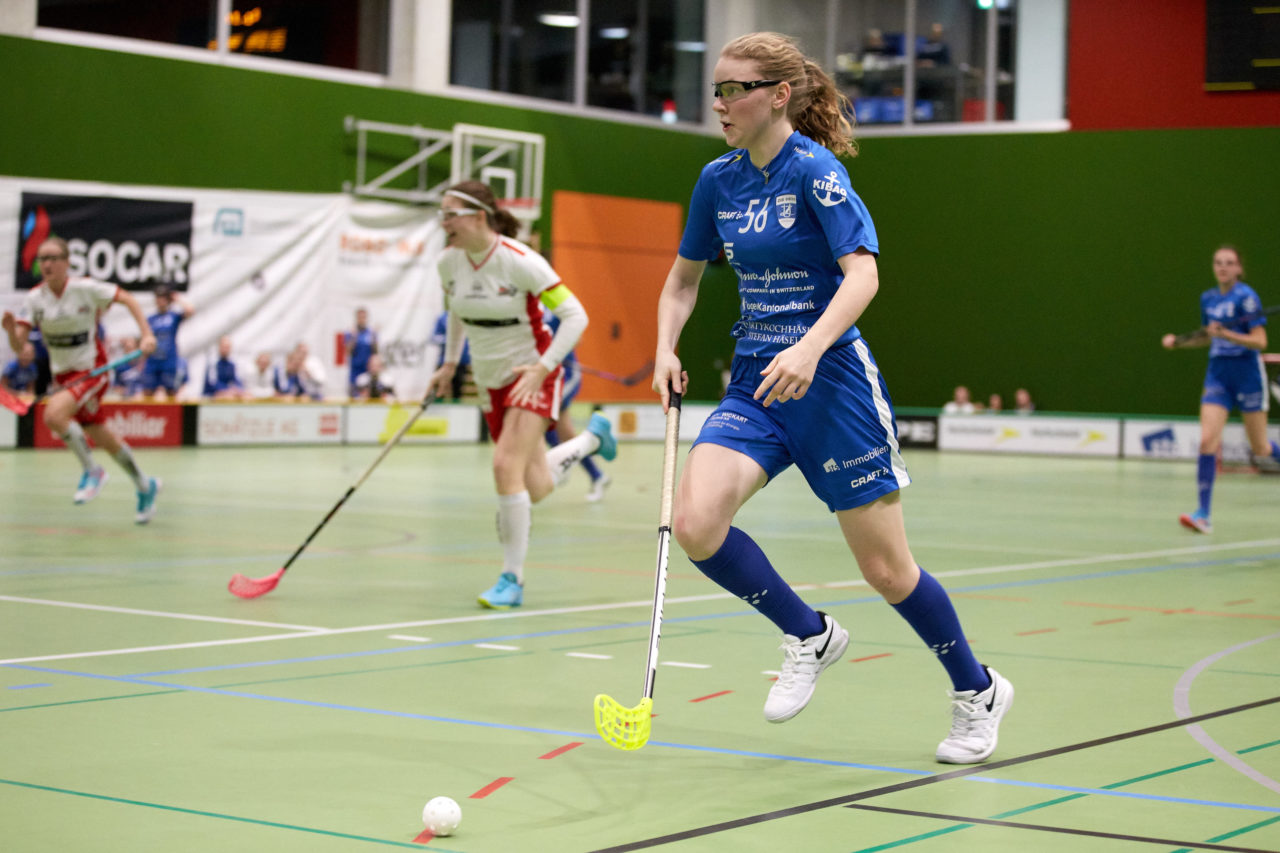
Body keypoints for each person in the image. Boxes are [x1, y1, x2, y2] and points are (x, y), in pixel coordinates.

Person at [651, 32, 1012, 765]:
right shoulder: (717, 180)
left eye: (736, 89)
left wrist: (810, 347)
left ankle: (976, 690)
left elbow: (863, 275)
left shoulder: (815, 174)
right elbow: (683, 281)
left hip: (832, 384)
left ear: (779, 94)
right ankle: (808, 632)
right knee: (693, 522)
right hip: (757, 382)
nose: (720, 103)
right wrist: (664, 347)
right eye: (715, 90)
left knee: (887, 571)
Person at [429, 179, 617, 609]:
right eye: (441, 214)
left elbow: (575, 316)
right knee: (532, 486)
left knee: (503, 465)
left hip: (532, 372)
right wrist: (449, 364)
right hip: (489, 378)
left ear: (478, 216)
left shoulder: (521, 262)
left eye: (450, 214)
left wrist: (544, 367)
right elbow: (456, 312)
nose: (444, 223)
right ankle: (591, 440)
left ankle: (511, 580)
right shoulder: (448, 264)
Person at [2, 237, 163, 523]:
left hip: (93, 370)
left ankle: (92, 470)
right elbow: (21, 349)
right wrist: (11, 334)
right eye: (42, 259)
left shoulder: (85, 289)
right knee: (101, 434)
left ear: (66, 262)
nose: (46, 264)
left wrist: (146, 334)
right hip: (63, 375)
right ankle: (144, 484)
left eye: (52, 258)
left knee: (53, 415)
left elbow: (126, 298)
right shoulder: (35, 299)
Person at [1161, 244, 1280, 532]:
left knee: (1261, 448)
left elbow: (1260, 341)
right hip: (1218, 375)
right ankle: (1203, 514)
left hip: (1247, 374)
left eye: (1229, 263)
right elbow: (1207, 336)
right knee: (1207, 441)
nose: (1223, 267)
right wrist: (1179, 342)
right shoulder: (1209, 299)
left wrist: (1227, 333)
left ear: (1239, 268)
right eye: (1218, 262)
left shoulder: (1247, 298)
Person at [543, 308, 611, 502]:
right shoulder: (530, 307)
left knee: (545, 421)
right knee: (561, 433)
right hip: (548, 378)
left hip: (566, 377)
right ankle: (597, 476)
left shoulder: (554, 308)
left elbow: (577, 338)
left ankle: (562, 467)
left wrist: (555, 353)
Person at [141, 286, 194, 400]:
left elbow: (190, 310)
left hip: (169, 361)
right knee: (148, 394)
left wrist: (176, 298)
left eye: (163, 298)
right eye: (158, 297)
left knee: (171, 394)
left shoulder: (173, 316)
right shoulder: (150, 319)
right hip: (152, 361)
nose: (160, 300)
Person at [430, 310, 471, 401]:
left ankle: (456, 411)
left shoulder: (469, 316)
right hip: (444, 362)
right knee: (440, 389)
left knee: (458, 389)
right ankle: (438, 408)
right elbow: (433, 337)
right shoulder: (442, 318)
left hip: (462, 362)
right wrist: (450, 341)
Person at [344, 307, 378, 398]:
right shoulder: (350, 333)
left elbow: (376, 353)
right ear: (356, 318)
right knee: (354, 397)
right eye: (360, 317)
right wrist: (353, 337)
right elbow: (348, 351)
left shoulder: (371, 333)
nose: (362, 320)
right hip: (355, 372)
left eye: (364, 317)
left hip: (367, 373)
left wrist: (374, 339)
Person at [202, 335, 247, 400]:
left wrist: (237, 389)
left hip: (227, 395)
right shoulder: (212, 363)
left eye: (228, 347)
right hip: (211, 397)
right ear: (219, 347)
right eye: (224, 347)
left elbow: (237, 380)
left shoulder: (232, 364)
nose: (226, 349)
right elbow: (212, 383)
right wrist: (227, 390)